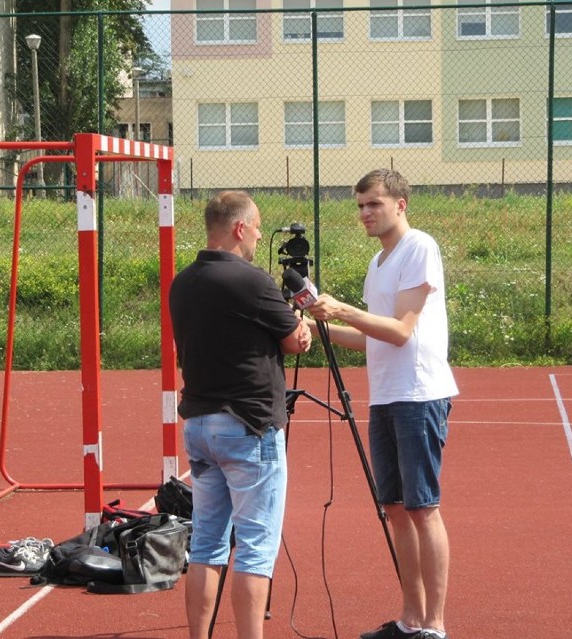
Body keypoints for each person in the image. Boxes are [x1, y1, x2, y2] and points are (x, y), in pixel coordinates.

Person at [306, 169, 458, 639]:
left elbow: (400, 331)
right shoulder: (378, 263)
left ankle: (434, 624)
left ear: (400, 204)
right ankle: (411, 618)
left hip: (420, 393)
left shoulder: (419, 248)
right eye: (359, 206)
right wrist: (317, 327)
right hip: (387, 394)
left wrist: (344, 309)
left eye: (373, 204)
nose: (365, 213)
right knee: (394, 507)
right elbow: (373, 339)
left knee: (422, 508)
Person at [168, 190, 312, 639]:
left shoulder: (182, 281)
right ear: (238, 228)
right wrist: (302, 323)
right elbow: (295, 341)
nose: (255, 236)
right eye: (254, 227)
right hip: (249, 425)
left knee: (207, 545)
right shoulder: (251, 280)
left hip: (200, 425)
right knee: (255, 549)